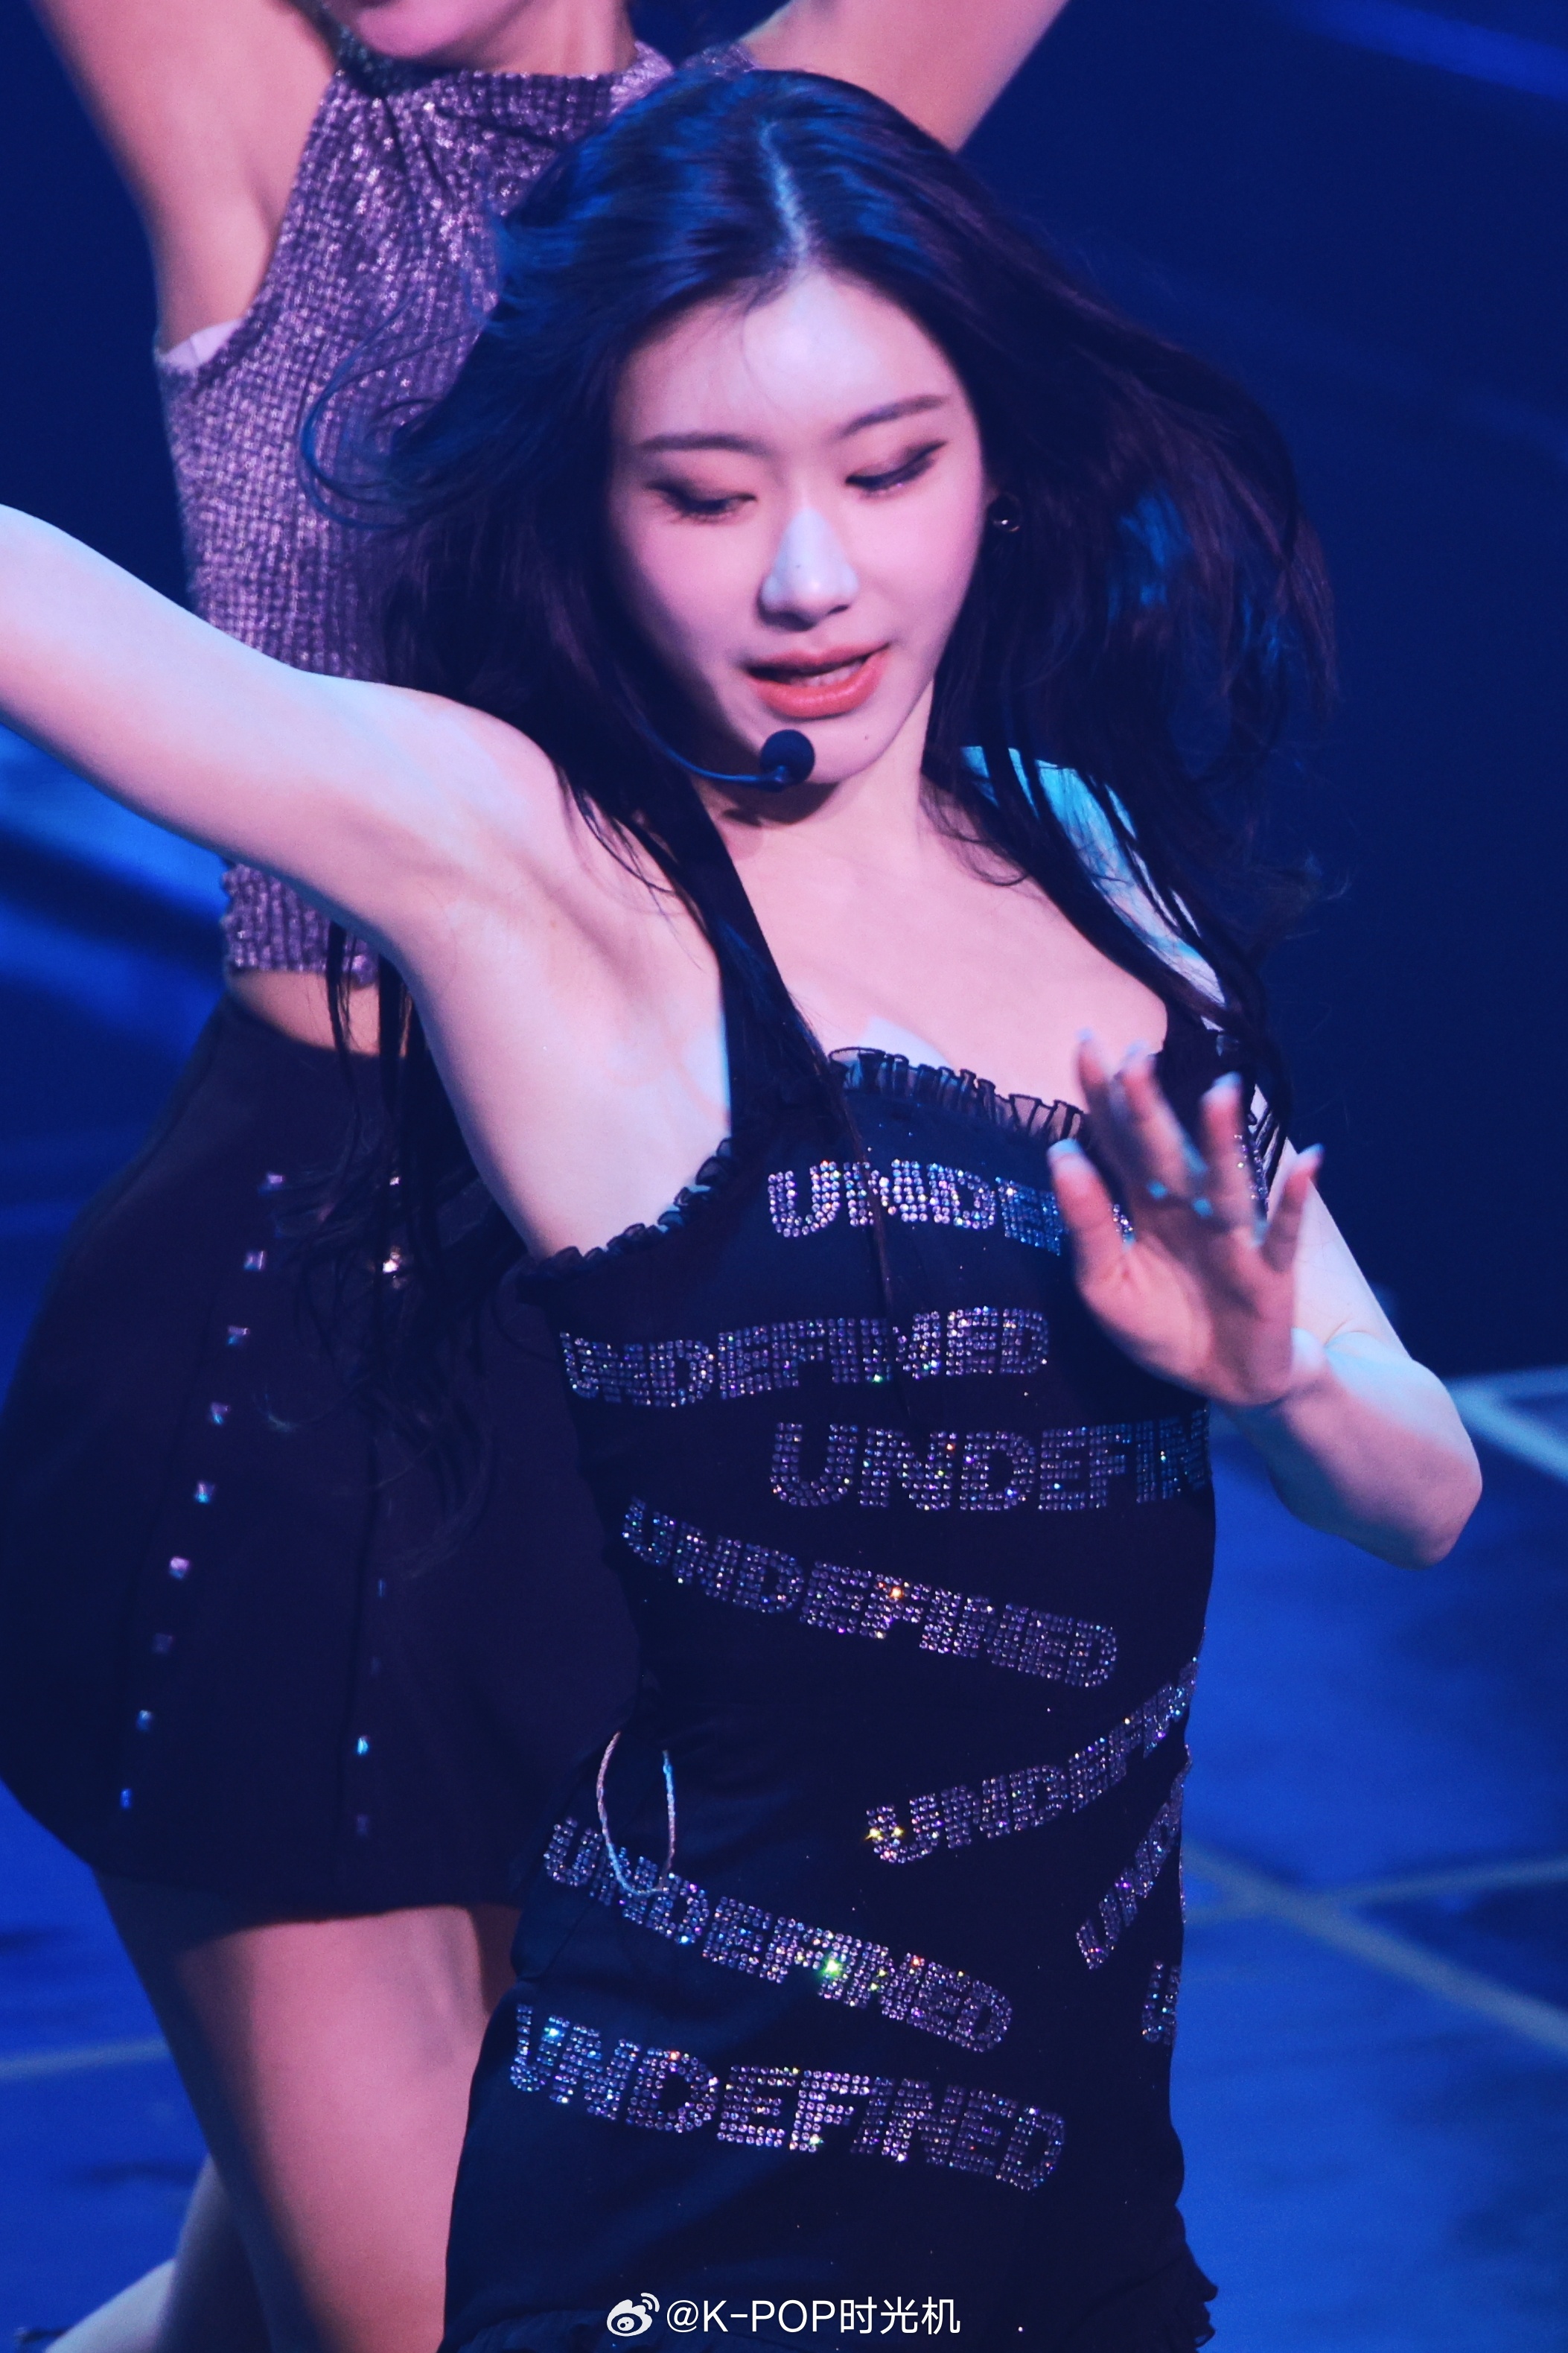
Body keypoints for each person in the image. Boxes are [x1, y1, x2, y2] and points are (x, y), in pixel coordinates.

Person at [0, 65, 1479, 2353]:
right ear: (589, 508)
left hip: (1078, 2193)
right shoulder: (532, 876)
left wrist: (1276, 1375)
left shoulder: (1093, 863)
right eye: (704, 494)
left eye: (889, 470)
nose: (811, 577)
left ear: (991, 457)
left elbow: (1423, 1496)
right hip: (688, 2202)